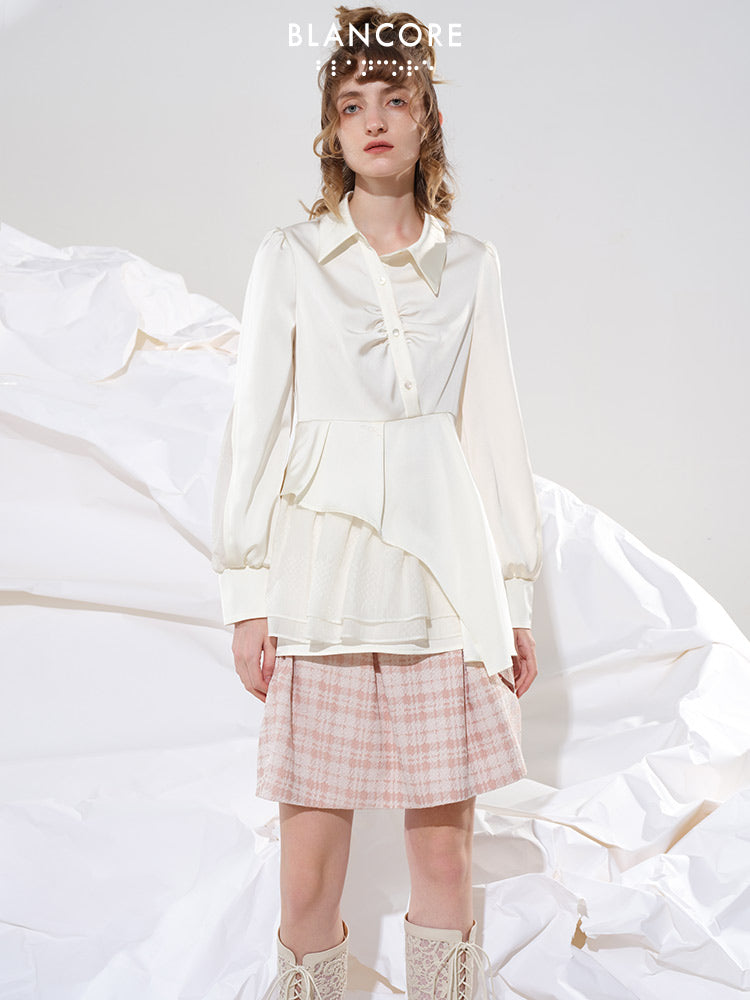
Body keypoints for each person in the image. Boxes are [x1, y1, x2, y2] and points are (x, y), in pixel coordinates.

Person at [211, 6, 543, 999]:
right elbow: (255, 427)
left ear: (426, 116)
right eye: (353, 104)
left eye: (394, 99)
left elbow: (494, 434)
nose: (374, 120)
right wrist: (246, 594)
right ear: (332, 129)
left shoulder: (472, 265)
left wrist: (513, 597)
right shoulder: (291, 256)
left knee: (444, 854)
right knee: (309, 866)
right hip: (323, 584)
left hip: (445, 585)